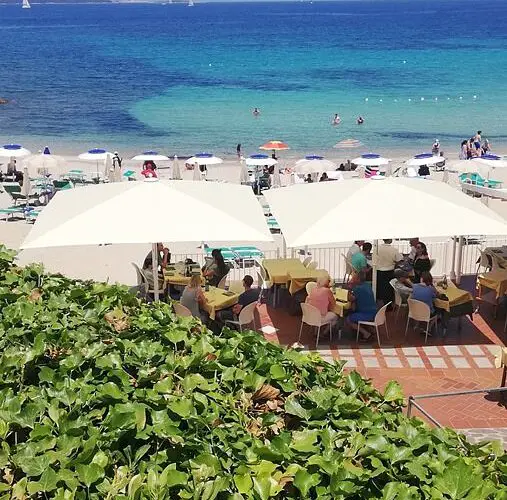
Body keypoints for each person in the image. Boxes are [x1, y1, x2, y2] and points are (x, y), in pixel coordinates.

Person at [346, 271, 377, 342]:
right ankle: (371, 330)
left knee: (348, 319)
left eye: (354, 278)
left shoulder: (358, 289)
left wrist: (350, 288)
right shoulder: (367, 285)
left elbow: (350, 299)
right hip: (375, 312)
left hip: (367, 314)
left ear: (358, 279)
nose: (352, 279)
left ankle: (366, 334)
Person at [376, 239, 403, 306]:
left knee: (380, 288)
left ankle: (380, 305)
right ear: (390, 239)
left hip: (379, 271)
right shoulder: (393, 249)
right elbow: (399, 259)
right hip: (389, 271)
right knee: (388, 289)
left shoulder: (377, 248)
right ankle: (388, 306)